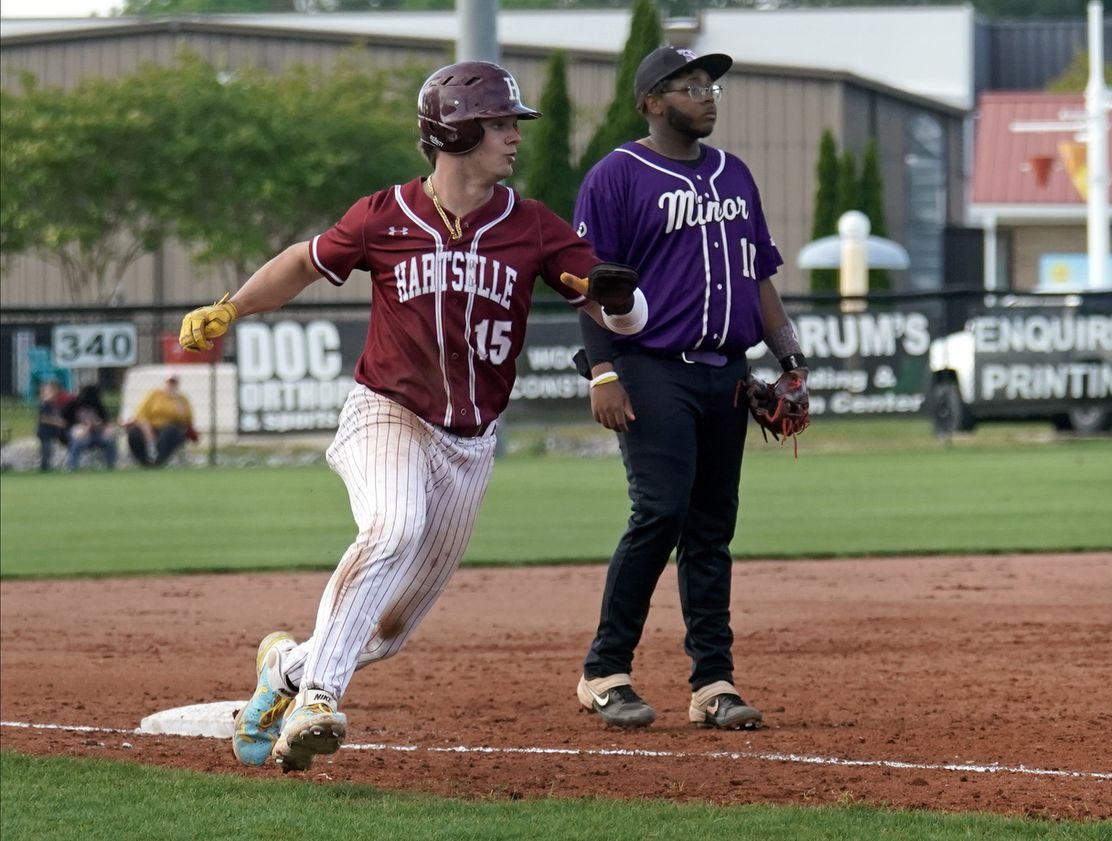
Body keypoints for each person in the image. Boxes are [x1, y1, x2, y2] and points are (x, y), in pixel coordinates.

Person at [178, 60, 648, 773]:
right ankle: (318, 701)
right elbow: (303, 264)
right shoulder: (384, 215)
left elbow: (624, 313)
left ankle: (283, 671)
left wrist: (618, 300)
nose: (512, 137)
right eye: (497, 124)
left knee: (388, 628)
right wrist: (232, 306)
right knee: (394, 524)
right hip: (386, 412)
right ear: (455, 130)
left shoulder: (532, 228)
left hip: (470, 443)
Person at [571, 46, 808, 731]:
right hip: (650, 365)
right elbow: (590, 286)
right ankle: (604, 670)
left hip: (725, 370)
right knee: (661, 512)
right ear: (651, 101)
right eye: (688, 85)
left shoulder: (735, 174)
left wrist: (791, 360)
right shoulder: (617, 175)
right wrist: (604, 370)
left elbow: (758, 275)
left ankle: (713, 682)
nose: (706, 95)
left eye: (710, 85)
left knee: (711, 527)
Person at [125, 371, 196, 467]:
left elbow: (187, 421)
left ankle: (158, 462)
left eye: (174, 383)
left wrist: (179, 407)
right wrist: (148, 431)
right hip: (151, 427)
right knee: (134, 433)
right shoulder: (154, 394)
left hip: (171, 429)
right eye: (169, 382)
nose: (171, 385)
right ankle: (144, 462)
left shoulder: (182, 399)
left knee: (168, 433)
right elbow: (141, 414)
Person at [63, 383, 118, 471]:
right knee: (77, 442)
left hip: (96, 433)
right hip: (80, 434)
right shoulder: (72, 406)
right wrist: (83, 428)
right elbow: (67, 423)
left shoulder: (98, 406)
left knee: (109, 442)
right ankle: (72, 466)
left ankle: (111, 465)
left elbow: (105, 422)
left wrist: (97, 425)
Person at [35, 379, 72, 472]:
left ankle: (48, 466)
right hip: (44, 432)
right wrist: (57, 422)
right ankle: (44, 468)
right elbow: (43, 418)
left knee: (50, 451)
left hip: (51, 432)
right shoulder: (44, 404)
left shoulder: (52, 404)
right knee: (46, 451)